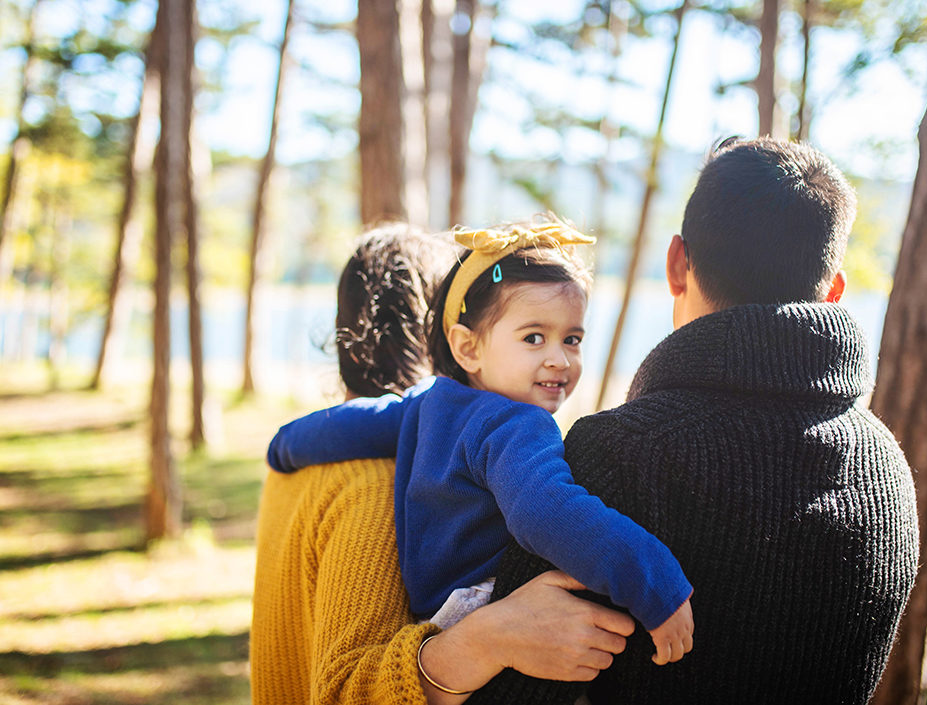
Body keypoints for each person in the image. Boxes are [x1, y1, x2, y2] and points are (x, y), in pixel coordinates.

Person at [468, 137, 921, 705]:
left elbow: (509, 691)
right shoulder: (887, 468)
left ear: (677, 261)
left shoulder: (620, 454)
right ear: (833, 292)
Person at [266, 217, 695, 680]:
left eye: (572, 338)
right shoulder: (515, 424)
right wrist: (656, 582)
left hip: (433, 613)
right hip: (488, 608)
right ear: (467, 348)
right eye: (534, 337)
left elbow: (350, 425)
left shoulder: (426, 403)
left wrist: (285, 446)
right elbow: (548, 513)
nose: (559, 358)